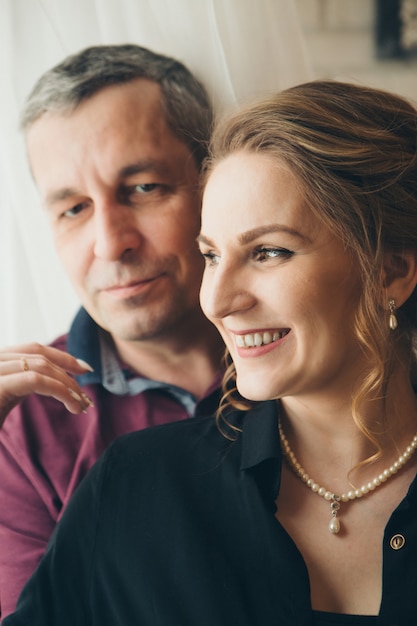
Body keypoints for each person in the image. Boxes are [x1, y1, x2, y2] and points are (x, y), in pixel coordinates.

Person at [4, 78, 417, 625]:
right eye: (212, 255)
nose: (217, 300)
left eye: (269, 251)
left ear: (392, 270)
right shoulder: (132, 485)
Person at [0, 44, 224, 619]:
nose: (111, 242)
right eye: (73, 208)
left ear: (212, 182)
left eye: (143, 188)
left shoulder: (315, 352)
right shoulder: (20, 426)